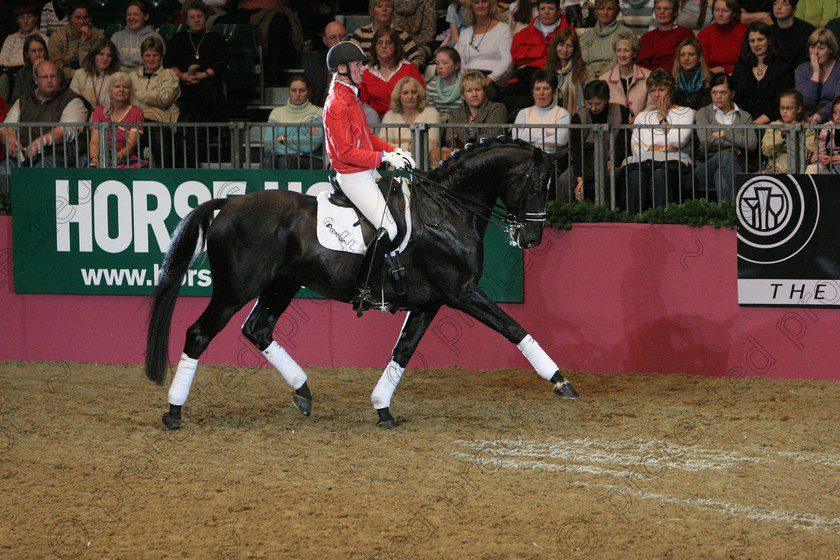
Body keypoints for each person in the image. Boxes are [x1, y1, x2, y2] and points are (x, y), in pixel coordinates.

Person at [321, 41, 415, 312]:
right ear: (342, 69)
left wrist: (393, 150)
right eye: (358, 64)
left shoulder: (350, 96)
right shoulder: (337, 104)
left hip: (368, 172)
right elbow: (346, 152)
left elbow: (367, 137)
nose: (363, 68)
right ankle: (364, 290)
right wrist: (384, 159)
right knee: (391, 228)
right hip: (354, 177)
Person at [620, 69, 695, 214]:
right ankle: (632, 223)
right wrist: (667, 147)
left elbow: (678, 142)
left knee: (660, 175)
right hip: (644, 163)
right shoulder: (642, 117)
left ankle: (665, 223)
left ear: (671, 90)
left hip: (675, 164)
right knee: (636, 176)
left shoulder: (685, 112)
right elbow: (637, 149)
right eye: (653, 90)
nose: (657, 94)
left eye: (661, 89)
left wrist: (662, 119)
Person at [0, 60, 88, 168]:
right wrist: (11, 141)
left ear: (59, 79)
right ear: (36, 80)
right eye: (45, 77)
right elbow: (6, 127)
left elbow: (67, 130)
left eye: (53, 76)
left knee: (40, 171)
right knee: (4, 170)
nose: (49, 80)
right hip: (23, 156)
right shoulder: (23, 101)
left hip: (59, 156)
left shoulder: (73, 100)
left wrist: (42, 141)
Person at [694, 72, 757, 201]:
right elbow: (706, 140)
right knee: (726, 155)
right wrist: (736, 143)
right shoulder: (704, 113)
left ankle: (726, 212)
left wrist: (724, 134)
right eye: (714, 92)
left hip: (736, 166)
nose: (718, 97)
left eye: (723, 92)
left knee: (721, 173)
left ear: (732, 94)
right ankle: (738, 208)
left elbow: (752, 144)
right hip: (705, 166)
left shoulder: (744, 116)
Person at [163, 0, 229, 122]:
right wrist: (182, 76)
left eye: (200, 16)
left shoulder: (217, 38)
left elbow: (222, 63)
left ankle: (216, 132)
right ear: (187, 21)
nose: (196, 20)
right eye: (192, 17)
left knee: (209, 90)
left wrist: (203, 75)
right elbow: (168, 62)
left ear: (206, 17)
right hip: (182, 82)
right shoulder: (178, 38)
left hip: (208, 81)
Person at [570, 79, 630, 202]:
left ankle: (607, 214)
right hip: (585, 161)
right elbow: (576, 149)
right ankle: (565, 214)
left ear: (606, 100)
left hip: (612, 160)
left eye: (597, 104)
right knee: (564, 180)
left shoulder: (620, 111)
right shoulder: (579, 117)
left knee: (608, 176)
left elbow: (624, 143)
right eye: (589, 103)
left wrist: (613, 159)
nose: (593, 108)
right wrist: (579, 177)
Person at [129, 36, 180, 167]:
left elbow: (165, 98)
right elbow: (125, 99)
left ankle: (165, 173)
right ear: (142, 56)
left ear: (161, 57)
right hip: (136, 123)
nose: (151, 59)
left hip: (162, 124)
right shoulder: (132, 77)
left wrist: (137, 94)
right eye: (148, 55)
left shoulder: (169, 74)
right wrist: (153, 95)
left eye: (155, 55)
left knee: (156, 134)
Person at [731, 22, 794, 124]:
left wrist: (756, 124)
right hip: (742, 122)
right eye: (752, 41)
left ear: (769, 40)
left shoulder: (783, 69)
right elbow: (735, 98)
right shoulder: (741, 68)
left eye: (760, 39)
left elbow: (781, 102)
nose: (756, 44)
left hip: (772, 123)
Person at [507, 0, 572, 97]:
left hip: (553, 76)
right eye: (542, 9)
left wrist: (531, 55)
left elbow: (563, 58)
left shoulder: (568, 32)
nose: (546, 12)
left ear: (559, 11)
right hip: (525, 77)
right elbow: (517, 55)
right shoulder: (526, 32)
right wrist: (547, 49)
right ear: (538, 11)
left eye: (551, 8)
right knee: (508, 95)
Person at [360, 26, 425, 118]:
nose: (384, 46)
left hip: (406, 119)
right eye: (379, 43)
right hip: (376, 123)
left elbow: (421, 98)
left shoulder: (409, 69)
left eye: (389, 43)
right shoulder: (366, 73)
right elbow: (363, 105)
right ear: (374, 47)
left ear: (396, 46)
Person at [455, 0, 513, 101]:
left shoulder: (503, 29)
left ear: (491, 5)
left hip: (492, 78)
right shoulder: (465, 33)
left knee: (484, 93)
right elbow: (460, 63)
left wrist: (489, 79)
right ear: (471, 6)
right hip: (469, 77)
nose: (480, 5)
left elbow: (507, 60)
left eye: (484, 1)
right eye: (476, 2)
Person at [262, 74, 324, 169]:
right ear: (289, 91)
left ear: (309, 91)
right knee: (267, 161)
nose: (297, 94)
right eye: (294, 90)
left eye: (302, 90)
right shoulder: (276, 113)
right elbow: (268, 145)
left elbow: (312, 145)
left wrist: (284, 139)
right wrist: (302, 138)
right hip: (281, 157)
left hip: (310, 159)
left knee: (285, 161)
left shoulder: (318, 113)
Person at [511, 70, 570, 164]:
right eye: (537, 89)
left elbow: (560, 140)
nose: (541, 93)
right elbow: (516, 137)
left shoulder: (563, 114)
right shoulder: (523, 113)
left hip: (552, 161)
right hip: (525, 159)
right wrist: (547, 133)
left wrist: (531, 141)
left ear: (554, 92)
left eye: (546, 88)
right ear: (532, 92)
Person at [87, 72, 145, 167]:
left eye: (126, 87)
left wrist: (114, 159)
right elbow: (94, 141)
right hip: (100, 156)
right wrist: (95, 159)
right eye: (117, 86)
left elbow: (131, 145)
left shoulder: (137, 113)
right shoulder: (99, 111)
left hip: (124, 157)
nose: (121, 90)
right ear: (109, 90)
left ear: (130, 91)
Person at [350, 0, 426, 69]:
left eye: (388, 6)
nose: (384, 9)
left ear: (393, 11)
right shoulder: (360, 34)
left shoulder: (401, 35)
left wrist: (408, 68)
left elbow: (418, 58)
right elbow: (350, 58)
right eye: (379, 6)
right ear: (371, 12)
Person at [381, 76, 441, 164]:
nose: (410, 96)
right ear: (399, 96)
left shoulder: (431, 113)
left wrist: (399, 151)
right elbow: (383, 147)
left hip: (425, 165)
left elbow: (429, 147)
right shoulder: (390, 116)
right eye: (405, 93)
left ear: (419, 95)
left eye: (414, 92)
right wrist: (408, 147)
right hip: (395, 164)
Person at [444, 69, 507, 151]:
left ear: (484, 91)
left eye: (478, 89)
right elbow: (450, 139)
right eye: (469, 91)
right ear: (463, 95)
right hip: (462, 156)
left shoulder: (497, 108)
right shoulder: (456, 114)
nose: (474, 94)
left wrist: (463, 143)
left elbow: (491, 136)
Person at [761, 89, 816, 172]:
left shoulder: (807, 128)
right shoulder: (773, 126)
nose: (784, 111)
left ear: (798, 109)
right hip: (774, 171)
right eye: (782, 108)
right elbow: (767, 151)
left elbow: (807, 155)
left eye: (789, 108)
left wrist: (782, 148)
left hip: (799, 172)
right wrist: (782, 136)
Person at [48, 1, 104, 82]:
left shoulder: (98, 36)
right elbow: (56, 67)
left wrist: (85, 42)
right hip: (64, 80)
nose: (82, 22)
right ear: (69, 18)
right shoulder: (57, 37)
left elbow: (94, 66)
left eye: (86, 17)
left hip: (92, 80)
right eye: (78, 17)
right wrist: (77, 75)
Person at [0, 3, 46, 102]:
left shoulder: (44, 39)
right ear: (17, 21)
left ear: (36, 18)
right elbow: (2, 62)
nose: (25, 21)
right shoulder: (11, 39)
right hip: (10, 77)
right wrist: (22, 65)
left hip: (32, 77)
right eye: (21, 17)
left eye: (29, 16)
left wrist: (16, 65)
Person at [600, 31, 652, 118]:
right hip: (614, 128)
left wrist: (639, 119)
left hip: (642, 126)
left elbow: (652, 105)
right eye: (618, 50)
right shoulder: (604, 79)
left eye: (627, 51)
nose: (622, 55)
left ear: (634, 53)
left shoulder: (649, 77)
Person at [795, 28, 840, 124]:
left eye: (821, 48)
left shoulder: (838, 69)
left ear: (831, 50)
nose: (815, 52)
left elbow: (838, 101)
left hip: (835, 118)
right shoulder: (802, 69)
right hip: (807, 119)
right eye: (812, 47)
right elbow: (806, 103)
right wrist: (816, 73)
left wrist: (819, 116)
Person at [579, 0, 632, 79]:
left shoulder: (625, 33)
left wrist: (601, 78)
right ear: (596, 11)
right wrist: (592, 79)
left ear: (617, 11)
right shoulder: (587, 35)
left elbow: (620, 60)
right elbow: (581, 61)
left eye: (610, 9)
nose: (605, 12)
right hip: (588, 80)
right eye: (601, 8)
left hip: (615, 79)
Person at [638, 0, 694, 72]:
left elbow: (689, 61)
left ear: (675, 12)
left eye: (666, 9)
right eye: (658, 8)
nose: (661, 12)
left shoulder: (685, 34)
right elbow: (641, 65)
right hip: (653, 79)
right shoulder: (647, 37)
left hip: (679, 78)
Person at [69, 37, 121, 111]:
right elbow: (73, 102)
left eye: (109, 55)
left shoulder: (116, 77)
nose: (105, 58)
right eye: (101, 54)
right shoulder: (79, 74)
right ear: (93, 56)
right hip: (81, 114)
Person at [111, 1, 164, 73]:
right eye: (129, 14)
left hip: (144, 77)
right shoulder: (117, 37)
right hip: (120, 78)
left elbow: (160, 64)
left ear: (146, 17)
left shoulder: (155, 37)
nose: (131, 18)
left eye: (135, 14)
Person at [305, 21, 349, 106]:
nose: (338, 41)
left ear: (347, 37)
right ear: (325, 40)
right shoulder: (315, 66)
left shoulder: (357, 64)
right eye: (333, 38)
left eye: (342, 36)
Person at [697, 0, 747, 74]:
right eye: (717, 10)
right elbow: (703, 65)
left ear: (734, 13)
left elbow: (749, 62)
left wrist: (725, 69)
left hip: (740, 75)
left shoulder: (744, 31)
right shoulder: (704, 34)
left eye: (725, 11)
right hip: (713, 77)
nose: (720, 14)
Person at [545, 28, 588, 113]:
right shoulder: (548, 71)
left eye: (569, 46)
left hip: (577, 120)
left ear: (575, 49)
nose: (564, 50)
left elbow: (590, 97)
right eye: (561, 45)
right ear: (555, 46)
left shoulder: (585, 70)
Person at [10, 36, 55, 106]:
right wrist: (35, 75)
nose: (37, 55)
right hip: (28, 111)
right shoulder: (22, 74)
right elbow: (15, 101)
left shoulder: (56, 71)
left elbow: (58, 96)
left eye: (40, 50)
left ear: (45, 52)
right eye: (33, 51)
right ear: (27, 54)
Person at [769, 0, 815, 69]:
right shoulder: (769, 32)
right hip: (776, 75)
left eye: (785, 4)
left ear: (794, 9)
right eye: (775, 4)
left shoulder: (807, 30)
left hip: (801, 74)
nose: (778, 7)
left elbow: (808, 59)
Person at [672, 37, 712, 110]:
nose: (686, 58)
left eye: (691, 54)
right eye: (682, 55)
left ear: (699, 57)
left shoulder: (711, 79)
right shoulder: (672, 81)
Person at [425, 47, 464, 120]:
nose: (440, 67)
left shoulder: (465, 86)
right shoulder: (431, 88)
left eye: (444, 63)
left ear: (456, 66)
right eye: (437, 63)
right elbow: (430, 114)